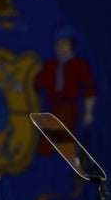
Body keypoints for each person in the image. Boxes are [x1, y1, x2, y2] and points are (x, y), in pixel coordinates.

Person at [34, 26, 98, 156]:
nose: (60, 46)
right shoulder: (51, 65)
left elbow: (89, 90)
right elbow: (38, 85)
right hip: (52, 108)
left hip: (69, 107)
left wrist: (89, 112)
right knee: (46, 144)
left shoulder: (80, 65)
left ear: (71, 44)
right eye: (58, 43)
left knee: (66, 145)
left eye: (64, 43)